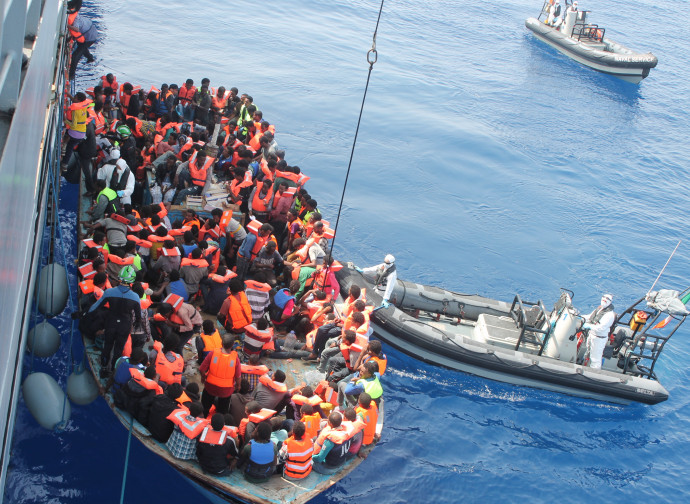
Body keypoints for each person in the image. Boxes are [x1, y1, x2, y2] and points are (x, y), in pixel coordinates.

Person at [88, 265, 141, 377]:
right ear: (132, 281)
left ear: (119, 278)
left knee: (107, 346)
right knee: (118, 349)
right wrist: (134, 326)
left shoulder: (109, 292)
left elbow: (94, 308)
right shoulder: (135, 297)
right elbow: (138, 318)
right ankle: (112, 369)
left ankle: (103, 368)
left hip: (111, 323)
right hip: (124, 326)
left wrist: (86, 317)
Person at [199, 335, 242, 417]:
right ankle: (220, 420)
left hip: (210, 387)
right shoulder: (235, 359)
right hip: (226, 391)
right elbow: (238, 377)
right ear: (233, 345)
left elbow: (201, 369)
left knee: (205, 407)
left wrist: (203, 377)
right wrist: (238, 386)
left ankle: (203, 416)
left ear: (221, 343)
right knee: (223, 411)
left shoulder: (212, 354)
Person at [582, 293, 615, 369]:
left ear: (610, 302)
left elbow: (601, 328)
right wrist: (580, 316)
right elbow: (590, 317)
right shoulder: (599, 309)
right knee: (587, 352)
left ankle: (593, 374)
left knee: (595, 359)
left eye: (607, 299)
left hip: (599, 338)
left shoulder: (609, 315)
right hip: (592, 335)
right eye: (604, 297)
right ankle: (585, 366)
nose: (605, 299)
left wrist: (589, 326)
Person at [67, 0, 98, 79]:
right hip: (88, 32)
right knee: (81, 47)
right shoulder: (75, 15)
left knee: (75, 56)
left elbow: (76, 30)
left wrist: (67, 26)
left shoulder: (76, 20)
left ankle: (71, 75)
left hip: (89, 37)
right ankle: (90, 58)